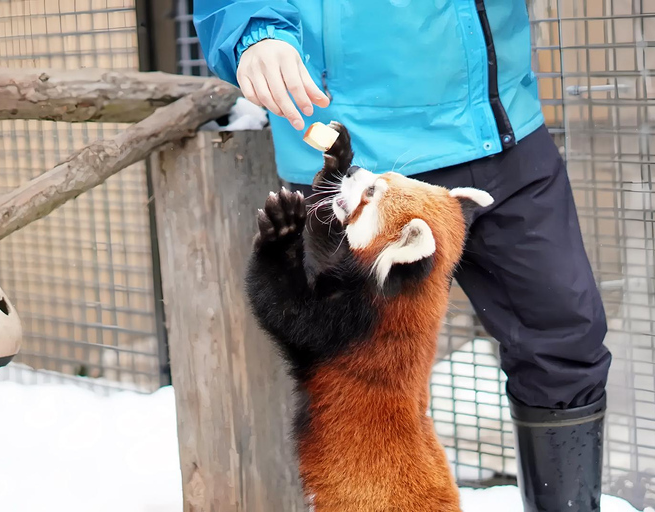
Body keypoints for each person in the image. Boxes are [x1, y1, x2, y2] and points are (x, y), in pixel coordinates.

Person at [193, 2, 612, 511]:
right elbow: (294, 315)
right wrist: (253, 30)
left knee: (567, 337)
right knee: (342, 364)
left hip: (503, 118)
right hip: (362, 121)